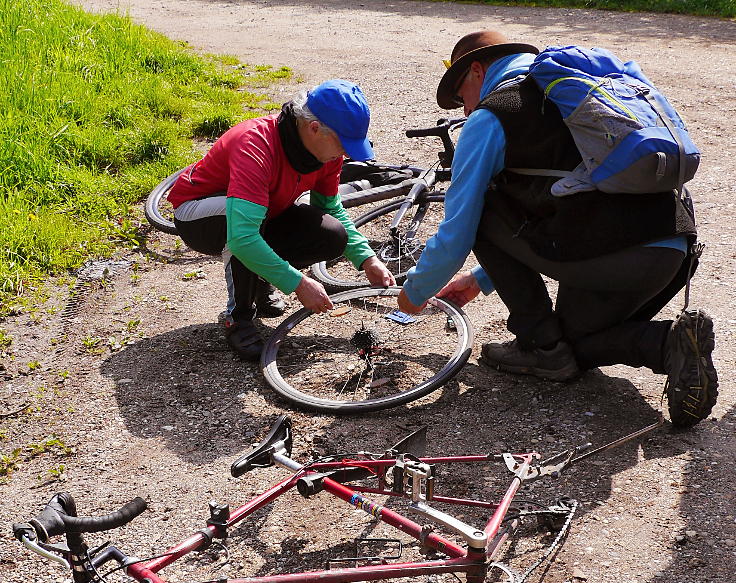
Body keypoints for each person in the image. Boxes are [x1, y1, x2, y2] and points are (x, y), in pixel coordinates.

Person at [396, 31, 718, 427]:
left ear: (477, 70)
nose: (464, 110)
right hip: (672, 251)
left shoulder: (493, 115)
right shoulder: (577, 95)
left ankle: (537, 343)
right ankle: (668, 343)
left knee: (481, 207)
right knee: (570, 349)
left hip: (613, 256)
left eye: (461, 94)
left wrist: (414, 293)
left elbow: (459, 229)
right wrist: (481, 279)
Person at [168, 80, 395, 360]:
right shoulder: (256, 145)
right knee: (247, 229)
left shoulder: (326, 152)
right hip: (198, 214)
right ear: (314, 129)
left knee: (332, 234)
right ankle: (236, 317)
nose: (347, 154)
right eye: (344, 145)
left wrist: (368, 259)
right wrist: (298, 283)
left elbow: (332, 210)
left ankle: (258, 281)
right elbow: (243, 237)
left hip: (263, 211)